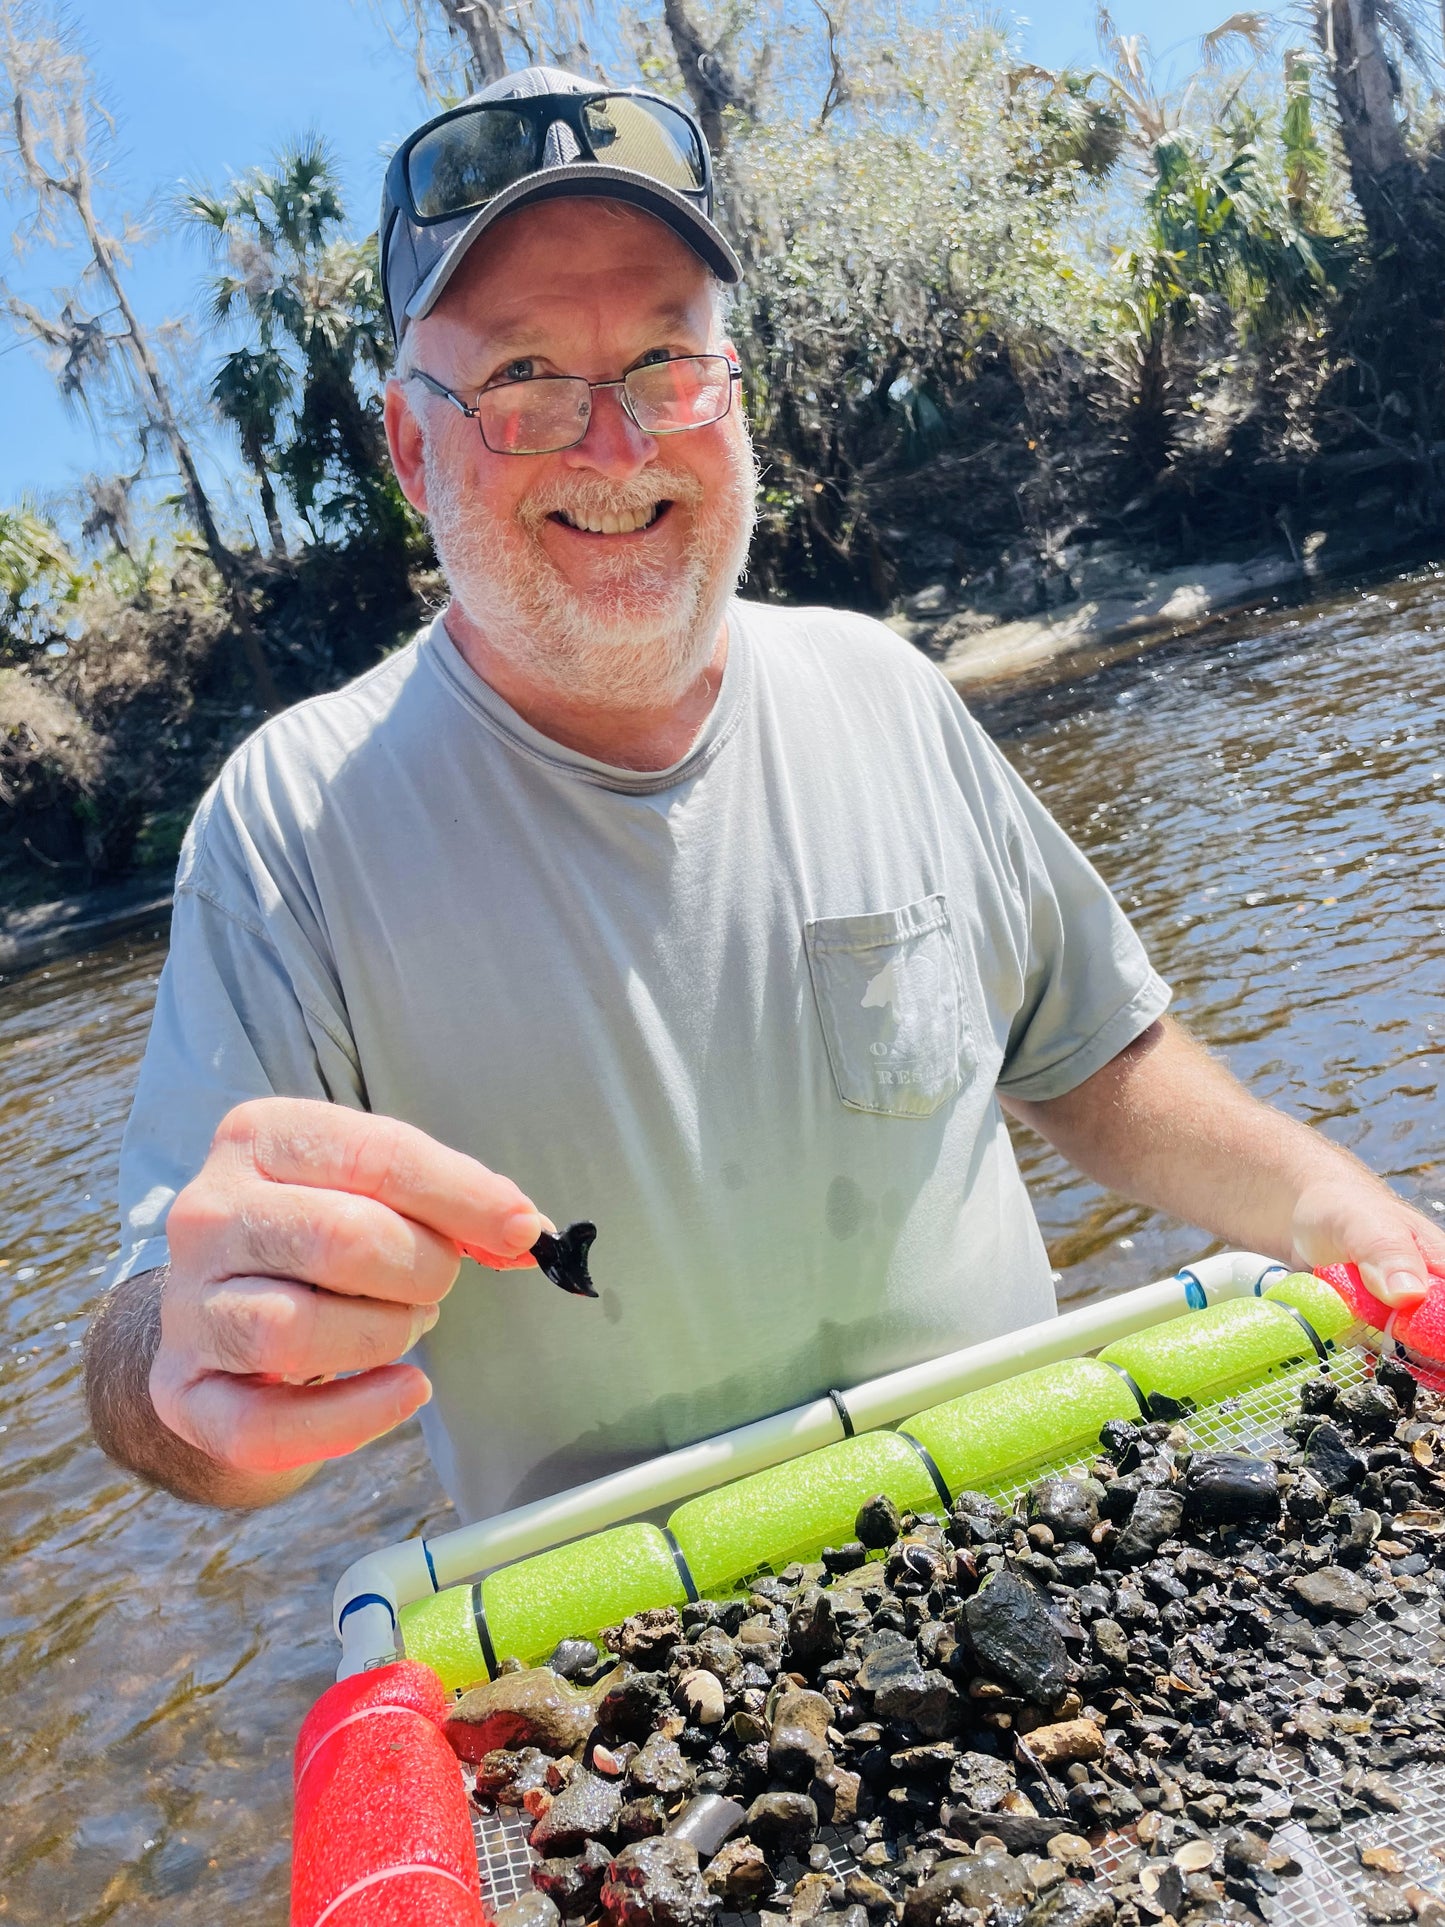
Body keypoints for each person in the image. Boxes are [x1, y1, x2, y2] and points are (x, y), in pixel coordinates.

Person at [84, 68, 1445, 1521]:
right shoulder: (288, 828)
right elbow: (160, 1387)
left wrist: (1331, 1208)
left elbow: (1094, 1059)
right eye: (525, 381)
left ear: (731, 398)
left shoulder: (883, 688)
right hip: (626, 1647)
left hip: (1027, 1521)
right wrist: (195, 1358)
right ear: (412, 445)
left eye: (667, 363)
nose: (617, 448)